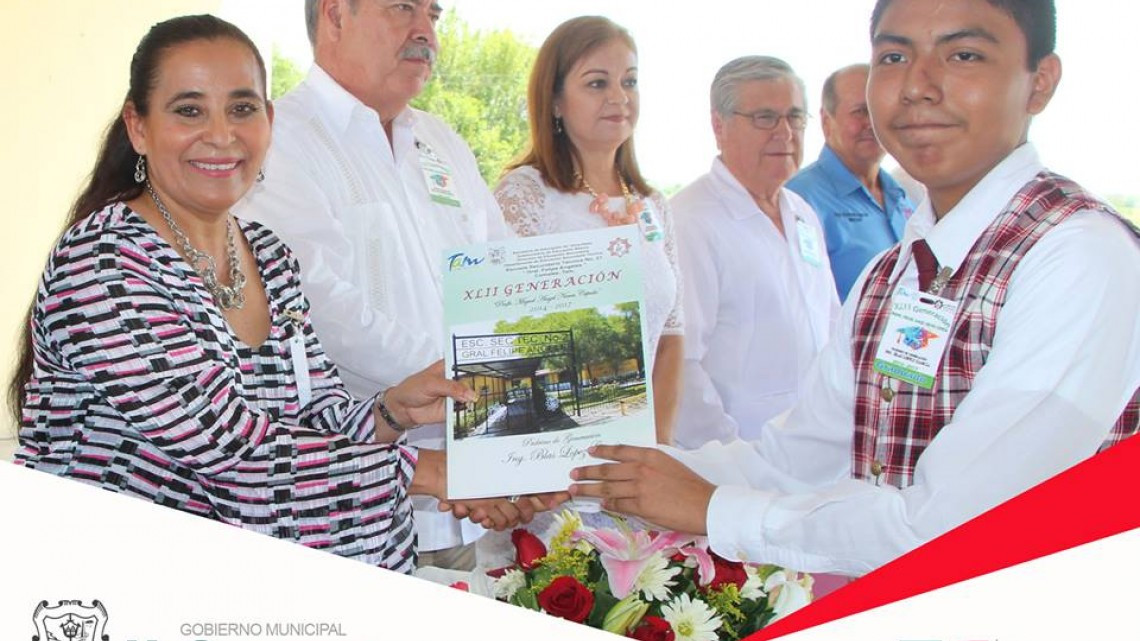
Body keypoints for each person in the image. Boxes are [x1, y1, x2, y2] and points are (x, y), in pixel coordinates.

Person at [569, 0, 1140, 576]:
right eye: (893, 56)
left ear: (1039, 83)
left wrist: (714, 509)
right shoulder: (892, 274)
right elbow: (796, 458)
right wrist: (586, 471)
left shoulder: (1075, 255)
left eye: (963, 55)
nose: (918, 86)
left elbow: (953, 530)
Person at [9, 14, 542, 576]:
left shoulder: (268, 254)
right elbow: (229, 448)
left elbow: (310, 419)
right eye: (189, 110)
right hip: (131, 585)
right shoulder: (105, 260)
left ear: (269, 120)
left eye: (242, 108)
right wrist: (427, 470)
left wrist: (391, 410)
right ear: (138, 127)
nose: (221, 134)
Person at [234, 0, 511, 569]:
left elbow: (504, 278)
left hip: (469, 499)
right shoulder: (277, 140)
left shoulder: (442, 142)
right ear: (335, 15)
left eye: (434, 14)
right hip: (352, 510)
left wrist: (516, 393)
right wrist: (481, 384)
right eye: (403, 8)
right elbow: (319, 311)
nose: (425, 32)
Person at [493, 16, 683, 444]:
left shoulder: (653, 204)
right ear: (555, 101)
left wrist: (657, 448)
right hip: (555, 451)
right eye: (597, 83)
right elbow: (508, 334)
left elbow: (672, 336)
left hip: (643, 461)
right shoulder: (526, 195)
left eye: (630, 82)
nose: (619, 97)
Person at [670, 56, 839, 448]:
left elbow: (832, 326)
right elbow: (680, 361)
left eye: (795, 117)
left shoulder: (802, 213)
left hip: (816, 449)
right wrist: (730, 457)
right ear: (719, 125)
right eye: (765, 118)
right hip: (740, 460)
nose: (785, 133)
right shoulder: (689, 221)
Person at [786, 64, 914, 301]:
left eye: (880, 110)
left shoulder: (903, 196)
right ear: (826, 121)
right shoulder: (799, 199)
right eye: (860, 111)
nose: (872, 123)